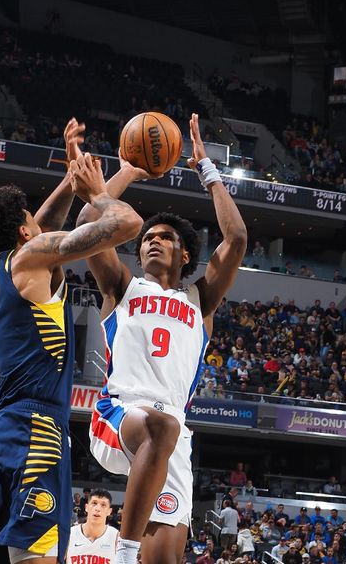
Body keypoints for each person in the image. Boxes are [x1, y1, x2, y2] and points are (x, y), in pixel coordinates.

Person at [0, 118, 143, 564]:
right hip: (35, 434)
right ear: (24, 233)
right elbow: (127, 223)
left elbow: (42, 224)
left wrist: (70, 175)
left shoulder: (3, 269)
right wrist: (98, 192)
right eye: (29, 219)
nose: (37, 222)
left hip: (1, 435)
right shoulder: (30, 256)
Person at [85, 113, 246, 564]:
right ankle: (122, 554)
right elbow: (88, 219)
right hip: (120, 413)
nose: (152, 242)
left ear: (185, 253)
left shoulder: (200, 299)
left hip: (173, 432)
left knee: (167, 559)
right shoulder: (122, 285)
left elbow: (236, 238)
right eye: (147, 238)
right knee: (160, 426)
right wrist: (129, 171)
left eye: (165, 237)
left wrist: (206, 169)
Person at [67, 489, 118, 564]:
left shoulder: (116, 537)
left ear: (109, 511)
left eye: (103, 505)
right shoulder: (70, 534)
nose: (97, 509)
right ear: (86, 507)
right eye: (94, 503)